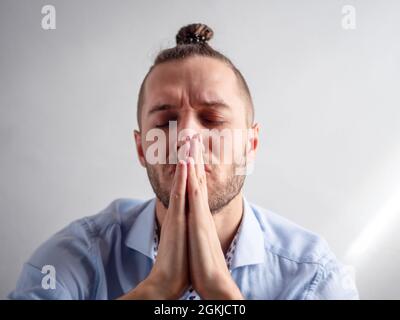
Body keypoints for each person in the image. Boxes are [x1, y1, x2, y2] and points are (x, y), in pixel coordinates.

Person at [9, 23, 359, 300]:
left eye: (213, 120)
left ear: (250, 145)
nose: (187, 138)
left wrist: (223, 297)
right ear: (142, 148)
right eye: (164, 123)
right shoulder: (77, 257)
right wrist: (155, 290)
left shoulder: (314, 276)